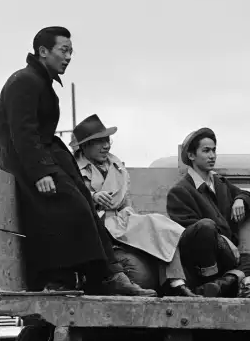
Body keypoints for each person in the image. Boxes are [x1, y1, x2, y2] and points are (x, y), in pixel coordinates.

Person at [0, 26, 155, 296]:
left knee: (85, 204)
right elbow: (22, 132)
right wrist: (40, 172)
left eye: (71, 51)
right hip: (24, 160)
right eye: (63, 50)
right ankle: (69, 277)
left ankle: (107, 274)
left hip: (43, 153)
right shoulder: (25, 81)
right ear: (43, 52)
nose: (68, 57)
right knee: (74, 207)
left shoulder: (40, 81)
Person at [71, 114, 198, 297]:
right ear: (84, 146)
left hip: (121, 220)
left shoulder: (117, 166)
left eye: (107, 140)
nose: (106, 145)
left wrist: (130, 217)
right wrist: (93, 197)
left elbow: (126, 201)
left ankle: (176, 282)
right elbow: (71, 198)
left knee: (160, 225)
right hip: (95, 227)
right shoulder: (74, 168)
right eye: (99, 142)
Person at [166, 128, 250, 297]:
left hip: (225, 257)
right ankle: (211, 282)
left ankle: (222, 283)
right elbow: (188, 233)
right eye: (206, 151)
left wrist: (240, 200)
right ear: (191, 156)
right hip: (199, 262)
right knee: (206, 226)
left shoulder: (220, 183)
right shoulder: (180, 191)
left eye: (214, 150)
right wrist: (224, 239)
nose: (212, 155)